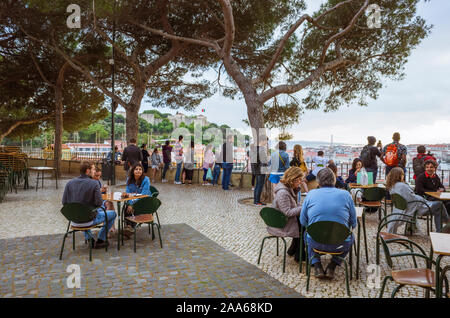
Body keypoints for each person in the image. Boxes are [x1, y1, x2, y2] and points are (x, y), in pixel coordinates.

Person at [300, 168, 357, 279]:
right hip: (340, 243)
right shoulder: (346, 195)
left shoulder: (311, 194)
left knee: (307, 234)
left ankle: (317, 264)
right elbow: (353, 223)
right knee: (352, 237)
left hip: (315, 241)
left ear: (318, 181)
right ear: (334, 180)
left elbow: (303, 221)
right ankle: (333, 265)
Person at [62, 162, 117, 249]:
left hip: (74, 220)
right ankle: (101, 240)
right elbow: (99, 203)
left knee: (83, 212)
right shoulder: (93, 183)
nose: (94, 172)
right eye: (93, 169)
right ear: (88, 171)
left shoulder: (69, 183)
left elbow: (64, 202)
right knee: (112, 214)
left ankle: (90, 239)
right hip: (88, 220)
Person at [385, 167, 449, 233]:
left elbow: (409, 198)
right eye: (402, 174)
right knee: (439, 204)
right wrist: (420, 198)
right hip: (416, 207)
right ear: (399, 175)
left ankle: (441, 229)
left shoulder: (392, 186)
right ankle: (446, 223)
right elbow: (411, 199)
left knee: (438, 208)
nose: (403, 176)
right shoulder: (402, 186)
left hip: (409, 207)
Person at [269, 167, 306, 263]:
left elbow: (292, 205)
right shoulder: (283, 193)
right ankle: (299, 254)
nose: (301, 182)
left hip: (285, 219)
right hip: (282, 223)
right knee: (304, 226)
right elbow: (287, 212)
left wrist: (296, 191)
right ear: (293, 179)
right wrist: (304, 207)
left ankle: (293, 250)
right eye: (299, 180)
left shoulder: (288, 189)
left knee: (303, 224)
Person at [123, 163, 152, 237]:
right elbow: (128, 193)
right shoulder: (129, 180)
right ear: (133, 171)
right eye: (136, 169)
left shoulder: (146, 180)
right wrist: (130, 204)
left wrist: (133, 204)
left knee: (134, 207)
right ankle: (129, 227)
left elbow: (143, 195)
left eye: (140, 169)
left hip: (145, 202)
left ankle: (131, 227)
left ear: (142, 171)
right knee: (126, 207)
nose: (138, 171)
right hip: (133, 200)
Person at [92, 167, 117, 236]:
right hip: (95, 205)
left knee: (110, 203)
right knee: (108, 207)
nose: (98, 177)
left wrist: (104, 190)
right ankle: (107, 230)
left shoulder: (98, 181)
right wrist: (100, 191)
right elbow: (92, 195)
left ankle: (111, 227)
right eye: (96, 175)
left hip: (100, 201)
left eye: (99, 176)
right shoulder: (90, 182)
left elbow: (101, 195)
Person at [251, 136, 269, 206]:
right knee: (259, 186)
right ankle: (257, 201)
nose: (266, 143)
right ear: (263, 141)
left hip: (256, 170)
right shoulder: (262, 149)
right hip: (261, 170)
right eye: (266, 141)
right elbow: (264, 161)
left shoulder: (255, 148)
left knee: (257, 186)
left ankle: (255, 200)